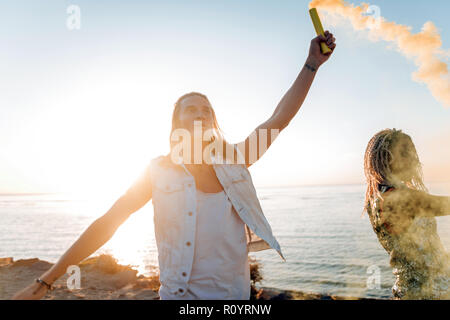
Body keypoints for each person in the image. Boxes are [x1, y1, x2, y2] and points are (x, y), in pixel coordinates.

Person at [12, 31, 336, 300]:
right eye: (190, 109)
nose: (200, 113)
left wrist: (311, 64)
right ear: (177, 123)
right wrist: (45, 281)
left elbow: (279, 119)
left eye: (206, 110)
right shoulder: (157, 171)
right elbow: (108, 222)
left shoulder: (235, 160)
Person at [363, 128, 450, 299]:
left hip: (413, 289)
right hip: (428, 293)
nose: (413, 159)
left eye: (412, 152)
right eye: (404, 153)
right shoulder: (398, 199)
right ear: (386, 159)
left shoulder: (375, 199)